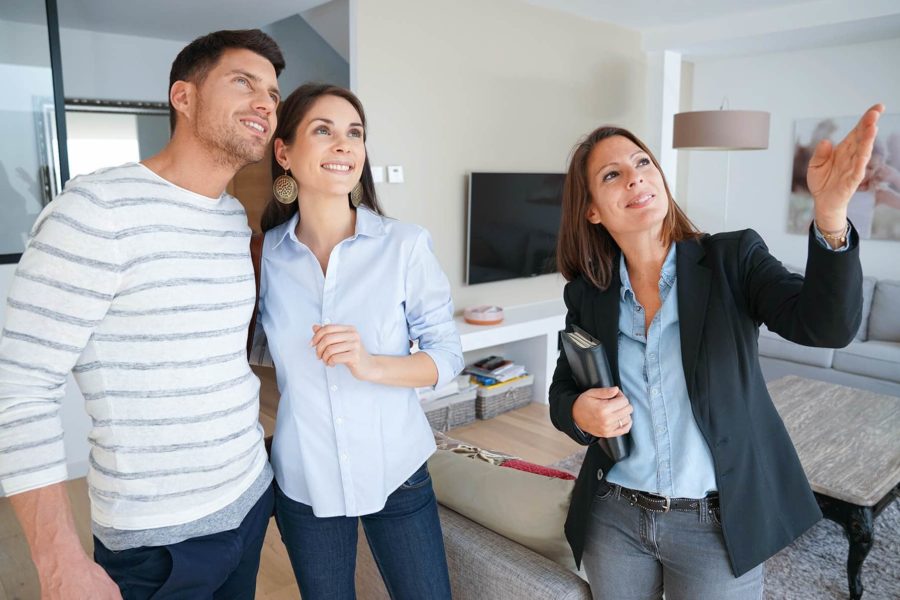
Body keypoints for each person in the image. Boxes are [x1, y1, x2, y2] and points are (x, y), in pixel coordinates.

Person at [549, 104, 883, 599]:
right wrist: (579, 411)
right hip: (614, 518)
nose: (636, 180)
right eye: (613, 174)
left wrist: (831, 215)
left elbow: (826, 327)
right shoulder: (587, 294)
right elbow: (561, 392)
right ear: (592, 209)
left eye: (644, 164)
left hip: (714, 526)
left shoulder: (733, 259)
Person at [0, 29, 285, 599]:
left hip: (251, 500)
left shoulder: (233, 218)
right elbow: (19, 389)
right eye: (243, 83)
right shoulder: (94, 210)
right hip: (157, 541)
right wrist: (58, 563)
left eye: (274, 94)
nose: (265, 104)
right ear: (184, 96)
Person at [248, 82, 462, 599]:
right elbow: (254, 352)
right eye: (324, 131)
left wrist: (372, 365)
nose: (344, 145)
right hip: (304, 478)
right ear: (284, 152)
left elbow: (448, 357)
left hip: (398, 471)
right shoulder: (263, 257)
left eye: (355, 133)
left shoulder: (404, 245)